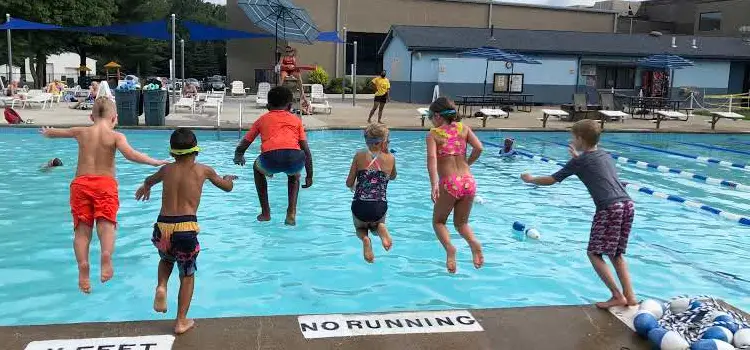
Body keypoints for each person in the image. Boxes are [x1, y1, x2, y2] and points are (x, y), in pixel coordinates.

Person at [40, 97, 166, 294]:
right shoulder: (116, 136)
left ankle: (83, 265)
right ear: (114, 118)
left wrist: (48, 132)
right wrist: (154, 162)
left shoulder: (81, 132)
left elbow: (56, 133)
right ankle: (106, 256)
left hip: (81, 184)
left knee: (82, 230)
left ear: (91, 116)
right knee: (106, 224)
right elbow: (131, 154)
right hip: (105, 184)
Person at [520, 119, 636, 309]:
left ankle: (617, 295)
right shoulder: (604, 155)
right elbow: (594, 166)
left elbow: (552, 179)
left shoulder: (580, 161)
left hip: (608, 208)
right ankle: (630, 296)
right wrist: (577, 158)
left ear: (580, 139)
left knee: (594, 253)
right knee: (616, 253)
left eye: (573, 137)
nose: (572, 140)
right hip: (627, 204)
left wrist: (531, 179)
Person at [135, 128, 236, 335]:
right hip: (185, 229)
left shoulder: (166, 171)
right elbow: (226, 187)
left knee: (166, 260)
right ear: (196, 151)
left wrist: (146, 187)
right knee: (187, 275)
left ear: (172, 153)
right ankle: (181, 321)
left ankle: (161, 286)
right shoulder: (204, 170)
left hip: (162, 227)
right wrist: (228, 179)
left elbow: (149, 180)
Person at [234, 86, 313, 226]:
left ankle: (265, 212)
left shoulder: (262, 120)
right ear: (289, 106)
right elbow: (306, 150)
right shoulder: (296, 121)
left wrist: (238, 155)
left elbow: (246, 142)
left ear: (268, 106)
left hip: (270, 160)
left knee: (257, 167)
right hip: (294, 159)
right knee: (294, 177)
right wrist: (309, 175)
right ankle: (291, 213)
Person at [426, 97, 484, 273]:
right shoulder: (464, 129)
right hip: (469, 182)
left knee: (438, 221)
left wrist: (434, 183)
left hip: (450, 183)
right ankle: (474, 243)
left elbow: (432, 161)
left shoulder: (433, 134)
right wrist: (467, 163)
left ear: (437, 116)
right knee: (461, 224)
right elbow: (479, 148)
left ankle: (450, 249)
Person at [346, 123, 396, 263]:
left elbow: (349, 183)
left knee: (360, 228)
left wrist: (355, 185)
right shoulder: (390, 158)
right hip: (379, 207)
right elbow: (392, 176)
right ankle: (381, 229)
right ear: (384, 142)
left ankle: (365, 239)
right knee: (377, 224)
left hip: (360, 206)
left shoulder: (359, 155)